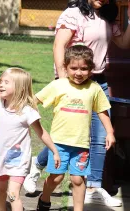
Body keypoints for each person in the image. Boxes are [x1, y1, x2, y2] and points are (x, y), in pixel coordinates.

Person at [24, 0, 130, 206]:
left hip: (98, 80)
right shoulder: (73, 13)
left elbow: (124, 43)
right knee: (67, 134)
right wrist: (64, 80)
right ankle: (38, 163)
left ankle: (94, 187)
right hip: (72, 80)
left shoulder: (107, 16)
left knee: (99, 137)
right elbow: (59, 45)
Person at [36, 45, 115, 211]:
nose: (78, 73)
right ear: (65, 67)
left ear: (91, 69)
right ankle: (44, 199)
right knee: (56, 178)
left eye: (84, 69)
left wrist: (109, 132)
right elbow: (36, 100)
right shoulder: (58, 85)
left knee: (78, 180)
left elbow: (102, 111)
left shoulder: (94, 88)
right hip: (58, 143)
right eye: (73, 68)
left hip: (81, 145)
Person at [0, 67, 61, 211]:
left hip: (18, 159)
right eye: (1, 81)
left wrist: (54, 151)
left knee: (13, 194)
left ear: (19, 88)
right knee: (0, 191)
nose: (1, 84)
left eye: (6, 82)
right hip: (0, 156)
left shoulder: (27, 112)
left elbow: (41, 133)